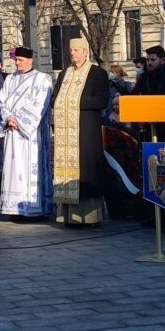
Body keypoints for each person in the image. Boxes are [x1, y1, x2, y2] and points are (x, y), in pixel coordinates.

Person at [52, 39, 110, 227]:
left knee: (87, 172)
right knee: (67, 172)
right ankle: (68, 216)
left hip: (86, 132)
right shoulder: (64, 74)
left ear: (86, 52)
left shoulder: (97, 73)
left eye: (76, 50)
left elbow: (101, 101)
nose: (73, 54)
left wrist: (74, 99)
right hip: (65, 135)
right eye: (71, 50)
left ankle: (90, 217)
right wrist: (62, 100)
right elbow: (55, 98)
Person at [0, 47, 54, 220]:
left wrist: (19, 120)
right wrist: (8, 118)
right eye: (16, 60)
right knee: (14, 169)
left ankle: (35, 210)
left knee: (30, 169)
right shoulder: (10, 79)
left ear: (31, 61)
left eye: (21, 60)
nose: (17, 63)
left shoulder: (42, 79)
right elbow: (2, 101)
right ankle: (15, 209)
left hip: (32, 134)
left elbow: (39, 105)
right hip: (12, 132)